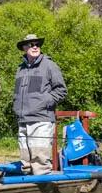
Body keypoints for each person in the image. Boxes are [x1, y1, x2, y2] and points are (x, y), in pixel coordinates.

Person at [13, 33, 66, 175]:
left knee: (40, 163)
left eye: (37, 44)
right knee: (25, 163)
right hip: (23, 120)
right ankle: (29, 192)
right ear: (24, 48)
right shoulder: (20, 69)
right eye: (31, 44)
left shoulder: (50, 65)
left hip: (41, 120)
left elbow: (61, 90)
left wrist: (44, 103)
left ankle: (44, 191)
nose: (35, 47)